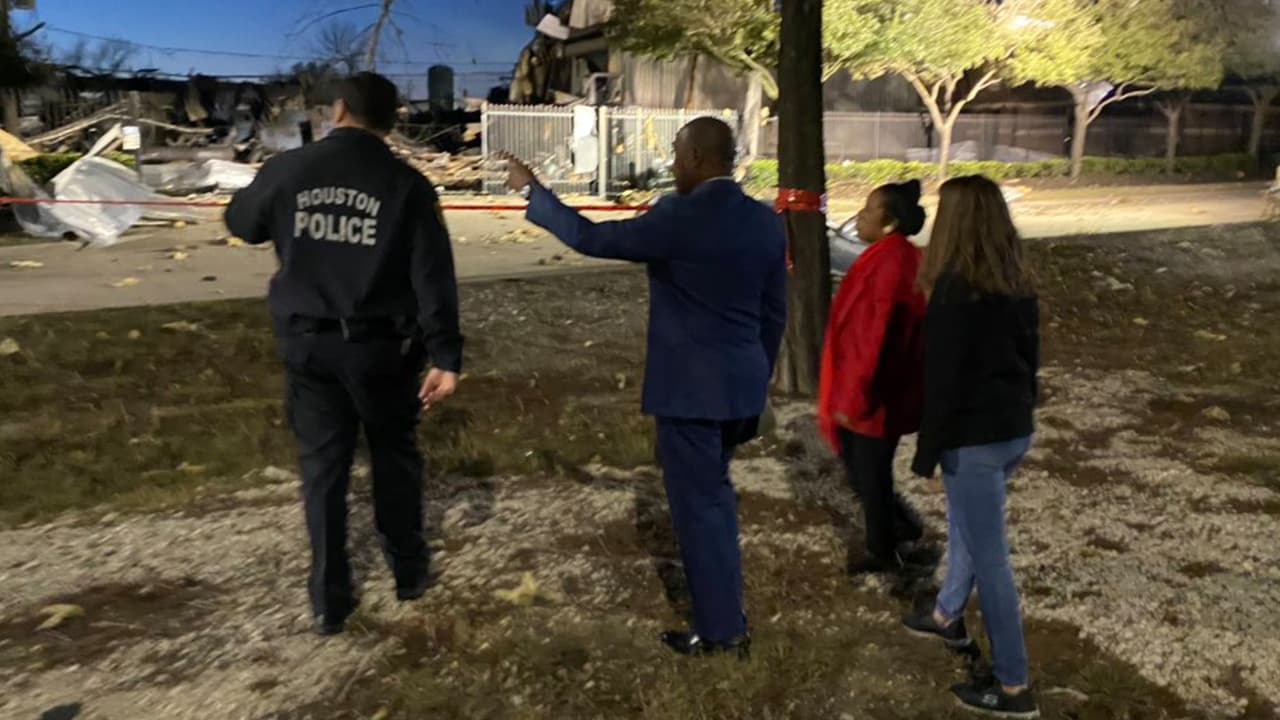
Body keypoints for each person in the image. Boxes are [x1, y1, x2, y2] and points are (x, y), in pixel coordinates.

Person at [503, 117, 786, 658]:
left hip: (690, 395)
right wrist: (756, 375)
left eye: (678, 153)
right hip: (741, 387)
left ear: (701, 159)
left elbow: (591, 238)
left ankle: (723, 632)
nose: (673, 163)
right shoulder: (766, 223)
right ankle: (725, 614)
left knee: (702, 509)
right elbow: (775, 313)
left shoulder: (678, 217)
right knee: (715, 498)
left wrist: (535, 193)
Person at [224, 72, 463, 636]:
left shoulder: (289, 170)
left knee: (324, 471)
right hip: (384, 350)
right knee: (394, 458)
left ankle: (331, 597)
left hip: (309, 346)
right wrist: (445, 356)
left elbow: (242, 223)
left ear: (339, 110)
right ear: (389, 120)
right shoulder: (407, 185)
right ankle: (409, 573)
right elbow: (433, 279)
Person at [902, 175, 1040, 718]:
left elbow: (944, 382)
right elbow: (1031, 363)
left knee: (991, 558)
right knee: (966, 524)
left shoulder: (954, 291)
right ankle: (945, 615)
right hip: (1012, 431)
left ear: (954, 221)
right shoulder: (1016, 280)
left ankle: (1013, 687)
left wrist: (926, 453)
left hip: (975, 439)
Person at [816, 181, 928, 575]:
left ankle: (888, 545)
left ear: (889, 222)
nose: (859, 216)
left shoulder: (890, 264)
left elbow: (874, 336)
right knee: (869, 473)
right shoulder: (893, 257)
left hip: (872, 396)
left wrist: (854, 398)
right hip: (878, 391)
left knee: (868, 476)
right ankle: (898, 533)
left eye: (868, 211)